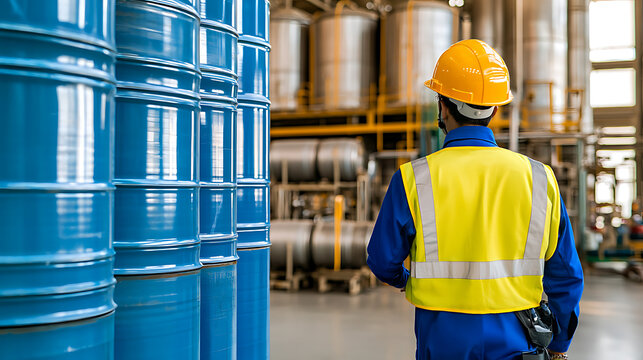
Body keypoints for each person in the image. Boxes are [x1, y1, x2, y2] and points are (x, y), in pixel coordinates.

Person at [367, 39, 584, 360]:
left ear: (442, 106)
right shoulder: (540, 178)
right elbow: (566, 275)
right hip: (518, 338)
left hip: (441, 338)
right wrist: (559, 343)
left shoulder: (413, 178)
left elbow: (382, 260)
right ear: (495, 108)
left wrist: (406, 281)